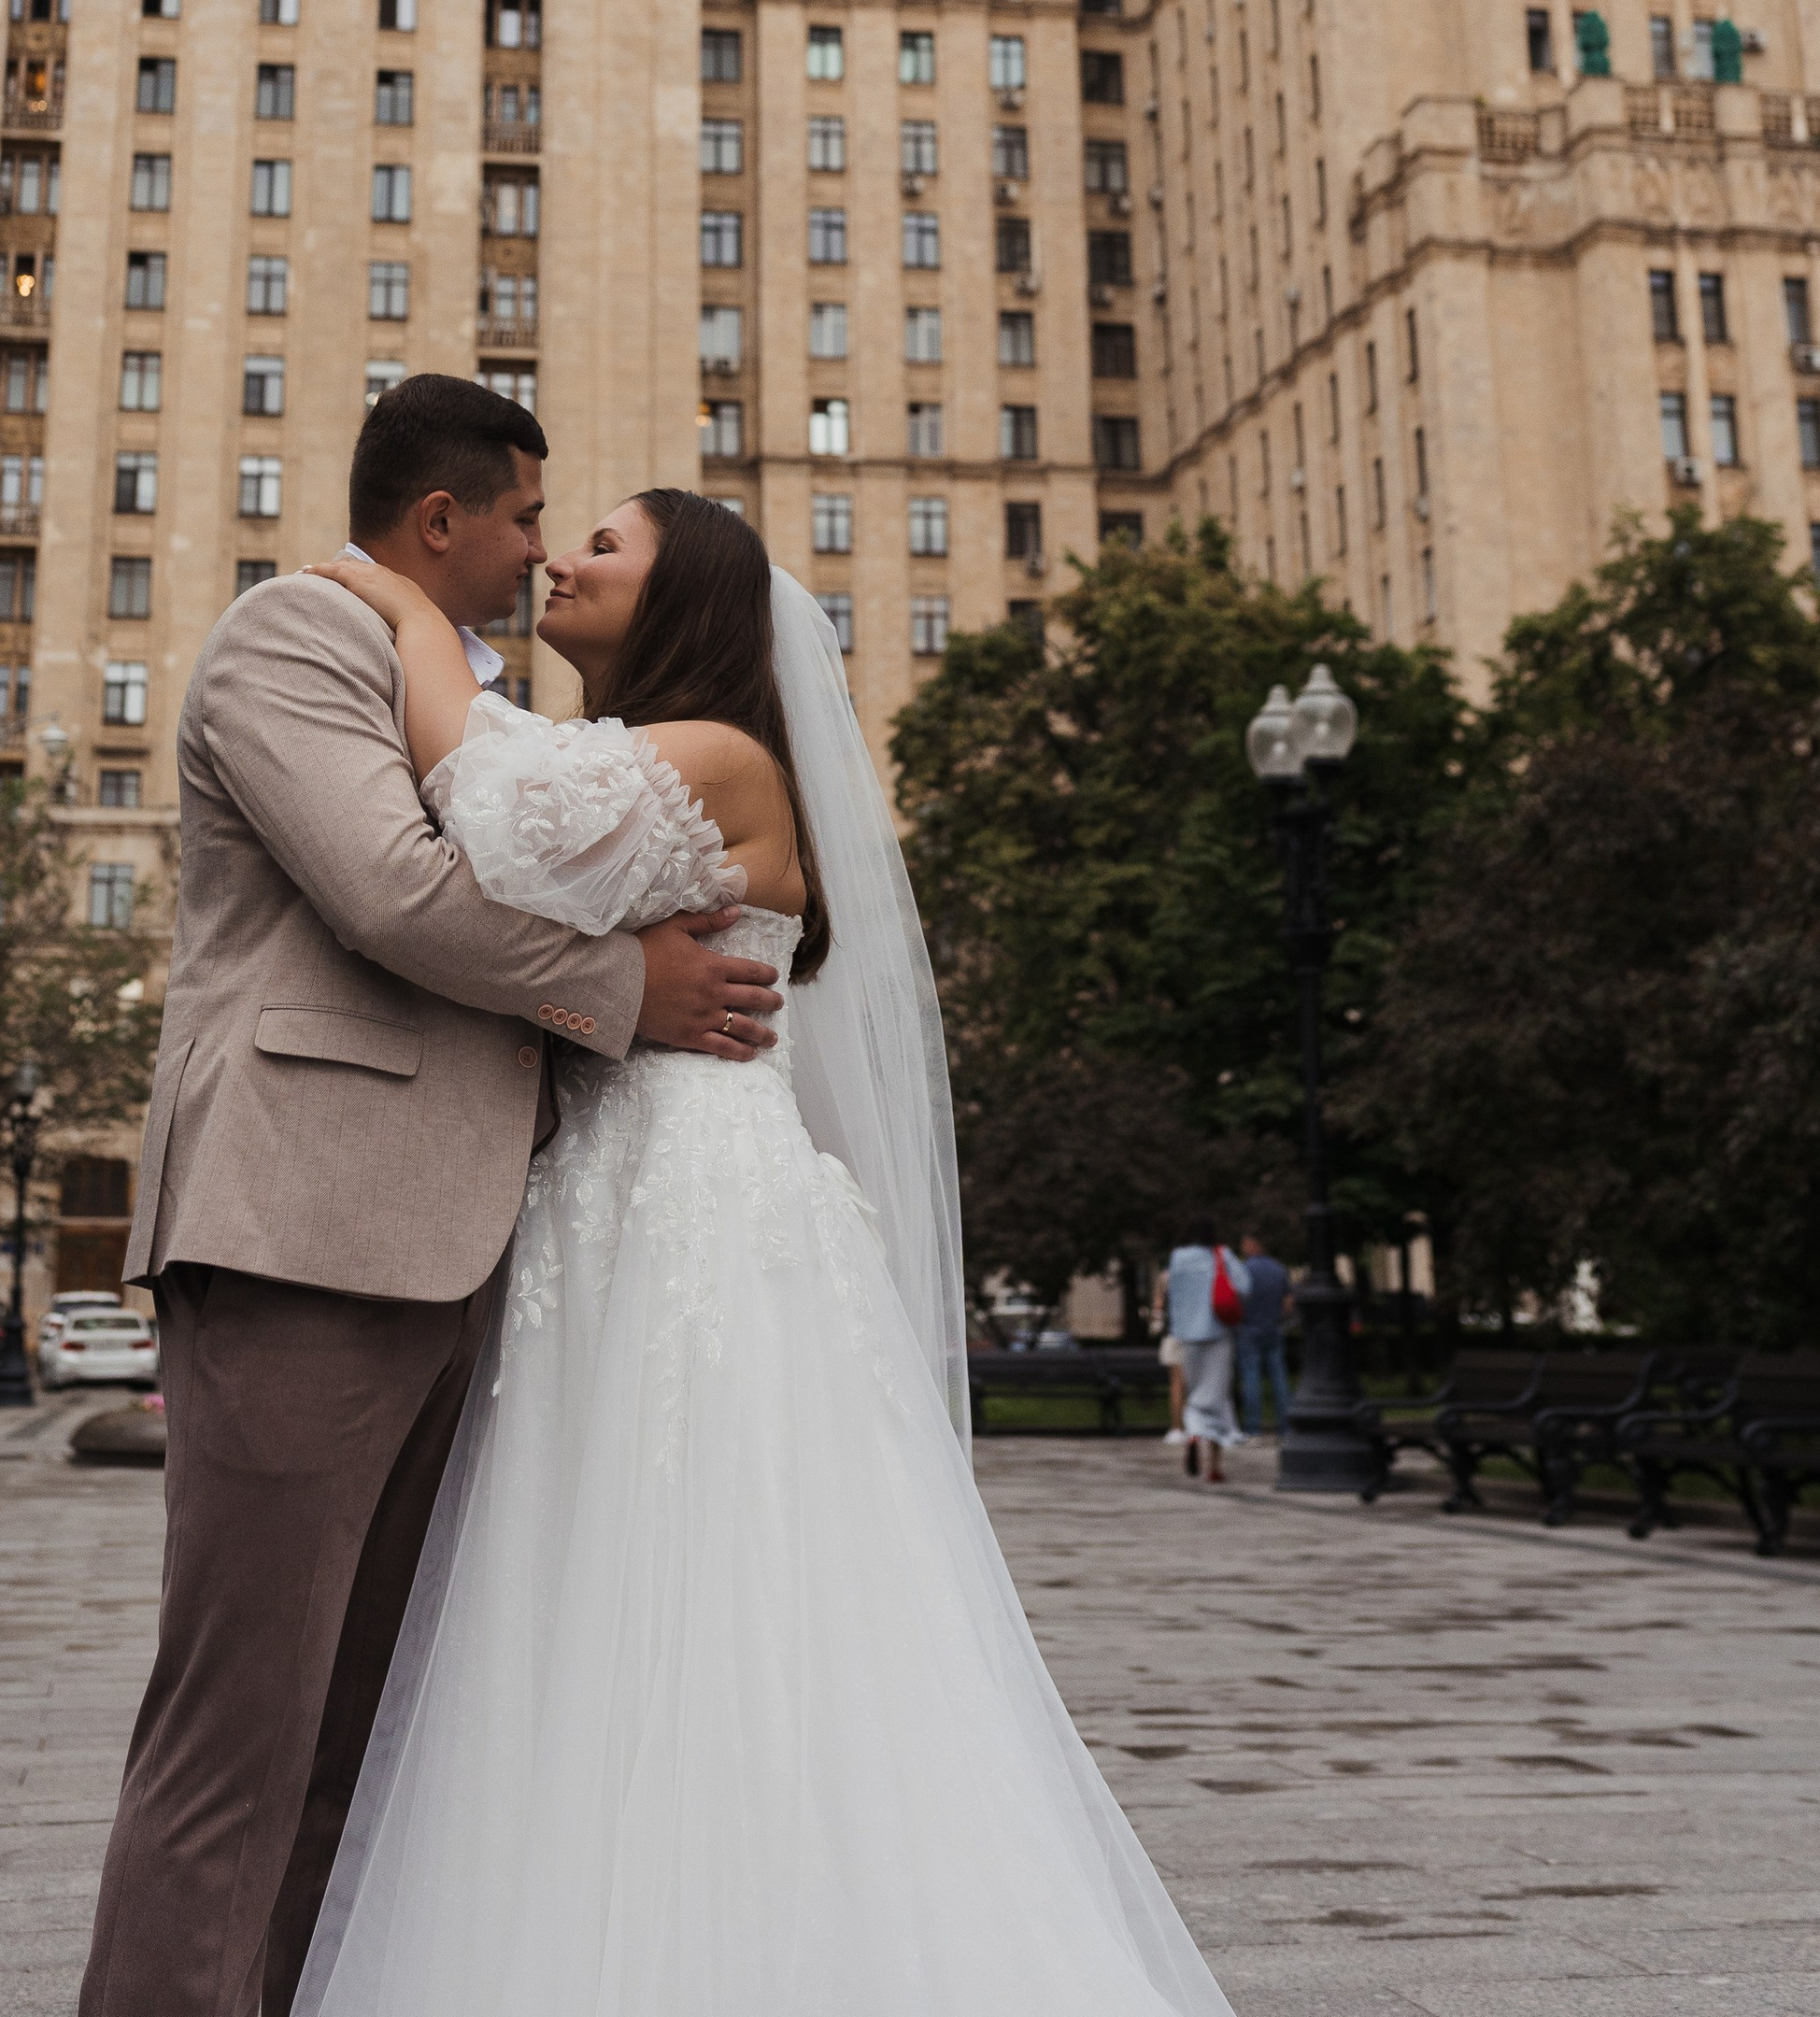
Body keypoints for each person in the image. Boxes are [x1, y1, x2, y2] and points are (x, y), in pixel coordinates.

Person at [293, 492, 1235, 2017]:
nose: (563, 559)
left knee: (704, 1565)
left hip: (693, 1202)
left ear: (688, 603)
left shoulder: (722, 754)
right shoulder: (637, 753)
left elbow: (491, 814)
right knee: (578, 1579)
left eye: (605, 546)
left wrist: (413, 618)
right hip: (613, 1193)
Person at [76, 380, 786, 2017]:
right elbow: (395, 893)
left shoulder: (494, 706)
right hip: (306, 1223)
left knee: (364, 1740)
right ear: (444, 521)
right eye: (534, 519)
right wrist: (626, 990)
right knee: (238, 1737)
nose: (547, 552)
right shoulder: (295, 638)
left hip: (471, 1247)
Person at [1161, 1223, 1248, 1484]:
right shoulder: (1221, 1255)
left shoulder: (1178, 1258)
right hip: (1217, 1333)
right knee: (1217, 1395)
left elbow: (1172, 1295)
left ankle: (1193, 1433)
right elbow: (1244, 1286)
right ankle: (1215, 1465)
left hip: (1187, 1335)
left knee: (1194, 1389)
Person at [1235, 1227, 1292, 1436]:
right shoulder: (1278, 1268)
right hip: (1274, 1329)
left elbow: (1237, 1300)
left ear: (1251, 1244)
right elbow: (1288, 1303)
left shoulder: (1244, 1270)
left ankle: (1253, 1427)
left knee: (1251, 1378)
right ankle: (1285, 1426)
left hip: (1249, 1329)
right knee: (1279, 1378)